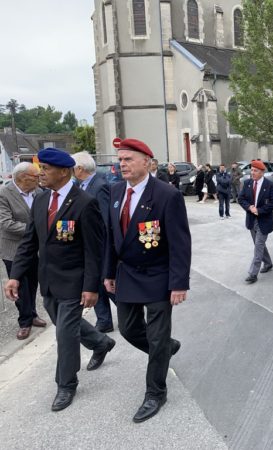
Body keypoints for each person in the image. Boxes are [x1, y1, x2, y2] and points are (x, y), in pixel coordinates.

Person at [4, 148, 114, 412]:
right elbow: (29, 243)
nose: (40, 174)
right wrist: (15, 276)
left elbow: (94, 250)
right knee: (65, 325)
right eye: (40, 168)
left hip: (75, 282)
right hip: (49, 281)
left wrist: (91, 287)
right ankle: (101, 342)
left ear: (64, 172)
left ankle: (66, 384)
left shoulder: (85, 203)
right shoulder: (41, 200)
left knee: (65, 334)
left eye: (46, 169)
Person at [104, 138, 191, 423]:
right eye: (120, 159)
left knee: (156, 335)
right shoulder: (116, 191)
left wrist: (179, 283)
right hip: (127, 273)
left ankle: (155, 392)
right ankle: (166, 348)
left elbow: (180, 243)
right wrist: (108, 273)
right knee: (129, 329)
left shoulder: (166, 195)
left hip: (157, 275)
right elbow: (111, 237)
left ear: (147, 162)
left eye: (128, 159)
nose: (122, 164)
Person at [0, 162, 45, 340]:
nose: (39, 179)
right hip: (14, 249)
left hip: (35, 249)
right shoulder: (4, 194)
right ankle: (24, 322)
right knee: (19, 286)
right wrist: (35, 230)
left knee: (32, 284)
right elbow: (6, 223)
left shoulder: (39, 192)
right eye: (36, 176)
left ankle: (32, 314)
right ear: (22, 178)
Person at [72, 151, 114, 333]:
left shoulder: (99, 186)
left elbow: (104, 220)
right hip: (88, 247)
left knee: (106, 283)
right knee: (95, 282)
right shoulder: (82, 185)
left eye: (72, 168)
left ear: (80, 169)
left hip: (99, 246)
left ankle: (131, 315)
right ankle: (104, 321)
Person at [238, 160, 273, 283]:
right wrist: (249, 207)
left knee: (258, 246)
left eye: (255, 171)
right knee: (259, 245)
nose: (252, 173)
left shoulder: (271, 185)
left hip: (264, 220)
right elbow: (241, 198)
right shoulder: (247, 183)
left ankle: (253, 273)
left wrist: (259, 210)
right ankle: (268, 263)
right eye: (251, 170)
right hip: (251, 220)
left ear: (262, 172)